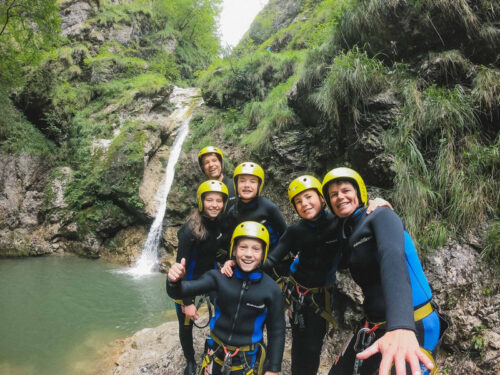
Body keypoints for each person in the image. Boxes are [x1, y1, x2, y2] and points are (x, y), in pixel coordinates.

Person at [322, 167, 446, 375]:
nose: (340, 197)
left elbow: (392, 257)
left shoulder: (381, 215)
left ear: (359, 193)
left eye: (345, 190)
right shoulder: (347, 233)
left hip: (412, 323)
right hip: (374, 324)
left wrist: (401, 326)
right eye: (333, 195)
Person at [264, 175, 392, 375]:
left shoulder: (338, 221)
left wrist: (377, 203)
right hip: (298, 294)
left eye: (308, 197)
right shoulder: (295, 231)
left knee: (314, 344)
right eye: (298, 201)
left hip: (321, 297)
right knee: (299, 342)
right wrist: (239, 266)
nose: (304, 204)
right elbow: (271, 260)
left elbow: (360, 213)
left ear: (322, 198)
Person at [167, 221, 286, 375]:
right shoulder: (219, 277)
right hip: (214, 353)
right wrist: (173, 281)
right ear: (234, 250)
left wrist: (273, 369)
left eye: (256, 249)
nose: (249, 254)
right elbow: (181, 291)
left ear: (263, 253)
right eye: (243, 247)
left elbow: (277, 330)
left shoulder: (271, 290)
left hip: (246, 359)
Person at [174, 180, 229, 375]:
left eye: (219, 201)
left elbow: (224, 250)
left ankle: (215, 348)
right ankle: (190, 360)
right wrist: (186, 301)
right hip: (188, 280)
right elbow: (181, 266)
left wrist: (228, 262)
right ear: (201, 201)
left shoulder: (222, 223)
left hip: (211, 276)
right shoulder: (190, 230)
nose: (214, 204)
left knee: (223, 309)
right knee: (185, 321)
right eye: (209, 200)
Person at [222, 162, 288, 279]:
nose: (247, 185)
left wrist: (270, 261)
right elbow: (230, 242)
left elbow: (286, 237)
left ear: (259, 185)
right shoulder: (232, 212)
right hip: (245, 264)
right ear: (236, 185)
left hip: (273, 265)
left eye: (252, 181)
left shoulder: (269, 208)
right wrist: (230, 261)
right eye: (242, 181)